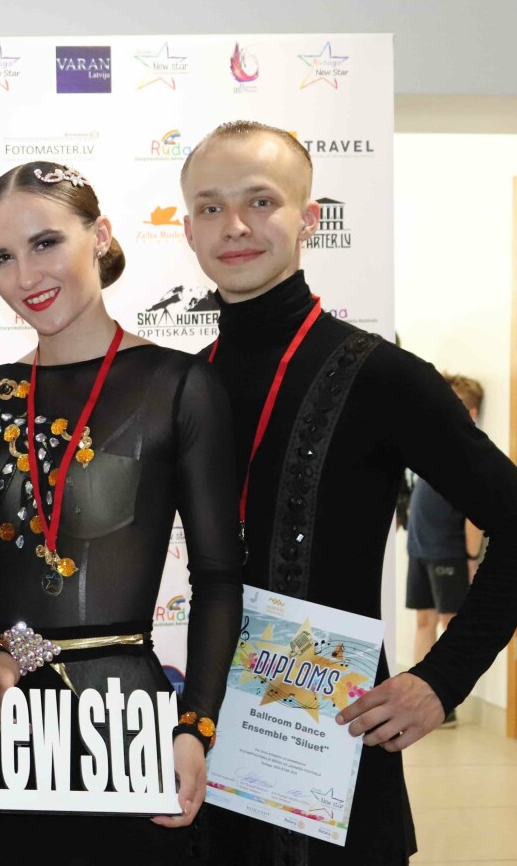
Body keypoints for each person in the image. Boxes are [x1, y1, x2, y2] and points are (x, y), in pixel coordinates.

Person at [179, 121, 517, 865]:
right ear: (188, 228)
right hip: (201, 741)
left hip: (336, 747)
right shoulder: (183, 386)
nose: (234, 225)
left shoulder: (384, 377)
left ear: (309, 217)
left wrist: (443, 678)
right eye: (210, 206)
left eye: (260, 200)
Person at [0, 162, 242, 865]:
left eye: (46, 242)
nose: (26, 276)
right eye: (0, 257)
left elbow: (219, 577)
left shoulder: (178, 385)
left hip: (128, 730)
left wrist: (195, 725)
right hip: (2, 734)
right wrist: (10, 653)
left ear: (100, 235)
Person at [406, 374, 486, 722]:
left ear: (471, 412)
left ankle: (442, 703)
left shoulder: (469, 450)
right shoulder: (434, 441)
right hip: (420, 548)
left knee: (449, 622)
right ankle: (412, 695)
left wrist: (471, 558)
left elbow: (475, 515)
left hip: (447, 552)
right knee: (424, 619)